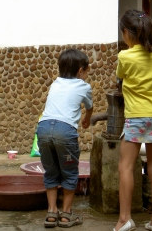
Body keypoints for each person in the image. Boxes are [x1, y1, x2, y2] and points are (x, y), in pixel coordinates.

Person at [114, 9, 152, 231]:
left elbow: (121, 76)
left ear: (126, 33)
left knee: (125, 167)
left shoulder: (125, 56)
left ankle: (125, 219)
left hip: (135, 116)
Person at [36, 48, 93, 228]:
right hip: (65, 132)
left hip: (43, 128)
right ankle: (67, 215)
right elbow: (89, 107)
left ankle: (52, 213)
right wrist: (87, 119)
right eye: (86, 70)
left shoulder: (55, 83)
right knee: (69, 173)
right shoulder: (84, 86)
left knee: (51, 172)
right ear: (80, 71)